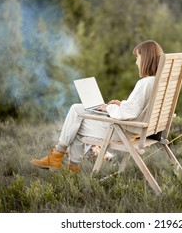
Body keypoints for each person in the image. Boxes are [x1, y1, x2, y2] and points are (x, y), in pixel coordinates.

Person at [30, 40, 164, 172]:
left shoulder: (144, 83)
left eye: (138, 58)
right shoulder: (159, 81)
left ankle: (60, 159)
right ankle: (67, 164)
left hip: (123, 132)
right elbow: (138, 108)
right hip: (138, 130)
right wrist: (121, 103)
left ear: (146, 59)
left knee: (77, 119)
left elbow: (126, 114)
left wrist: (108, 108)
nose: (136, 62)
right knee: (77, 110)